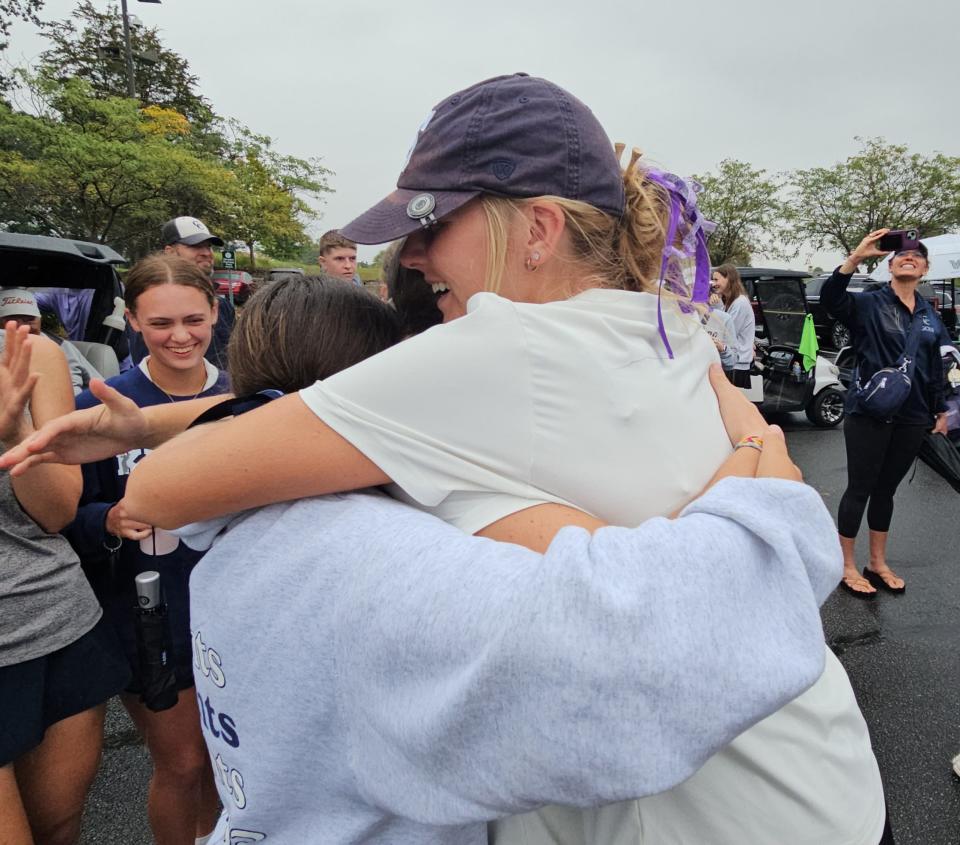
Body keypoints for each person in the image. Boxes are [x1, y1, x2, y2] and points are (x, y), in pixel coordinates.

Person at [17, 75, 888, 843]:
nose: (412, 254)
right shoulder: (662, 322)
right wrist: (154, 423)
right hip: (821, 774)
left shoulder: (494, 352)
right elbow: (367, 406)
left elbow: (172, 490)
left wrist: (157, 444)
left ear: (538, 228)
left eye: (433, 223)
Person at [62, 254, 229, 845]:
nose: (180, 336)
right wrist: (108, 517)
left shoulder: (249, 398)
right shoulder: (102, 406)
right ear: (131, 320)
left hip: (238, 614)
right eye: (160, 323)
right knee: (183, 765)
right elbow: (61, 516)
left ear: (215, 311)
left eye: (193, 318)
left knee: (229, 767)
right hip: (149, 617)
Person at [0, 323, 130, 845]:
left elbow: (56, 512)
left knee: (57, 828)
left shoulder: (29, 354)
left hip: (56, 623)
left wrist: (15, 439)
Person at [823, 230, 948, 597]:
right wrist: (856, 257)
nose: (909, 258)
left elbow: (937, 366)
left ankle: (877, 562)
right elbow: (832, 300)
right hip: (869, 410)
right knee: (860, 487)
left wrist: (941, 409)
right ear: (890, 266)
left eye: (917, 256)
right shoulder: (870, 302)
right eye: (902, 256)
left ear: (924, 269)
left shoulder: (930, 316)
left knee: (886, 491)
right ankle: (846, 564)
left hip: (913, 414)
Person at [126, 217, 236, 372]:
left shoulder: (223, 306)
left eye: (208, 246)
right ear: (169, 252)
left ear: (213, 311)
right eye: (195, 246)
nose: (206, 253)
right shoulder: (150, 304)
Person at [0, 287, 103, 394]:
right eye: (12, 320)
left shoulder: (62, 345)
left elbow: (101, 385)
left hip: (77, 403)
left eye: (29, 319)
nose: (23, 326)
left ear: (39, 320)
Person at [709, 264, 755, 386]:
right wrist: (718, 305)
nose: (713, 284)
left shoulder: (740, 303)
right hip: (732, 362)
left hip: (737, 365)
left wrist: (715, 307)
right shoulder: (730, 302)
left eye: (716, 279)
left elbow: (727, 332)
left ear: (728, 278)